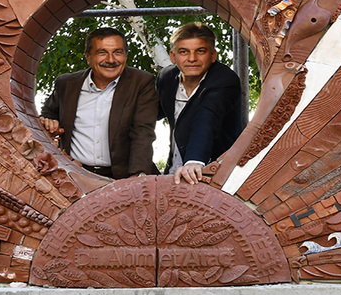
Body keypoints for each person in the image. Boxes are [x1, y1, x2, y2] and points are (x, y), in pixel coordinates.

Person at [40, 27, 160, 179]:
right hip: (76, 175)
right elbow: (48, 113)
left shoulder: (141, 82)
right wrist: (50, 123)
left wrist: (138, 175)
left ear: (126, 55)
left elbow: (143, 131)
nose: (111, 60)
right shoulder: (66, 84)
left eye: (117, 52)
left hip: (124, 176)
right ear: (88, 57)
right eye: (102, 52)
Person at [158, 23, 244, 184]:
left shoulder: (224, 79)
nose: (192, 58)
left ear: (213, 55)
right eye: (184, 52)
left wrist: (194, 161)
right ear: (173, 56)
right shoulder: (166, 78)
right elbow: (148, 112)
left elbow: (207, 118)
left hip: (215, 174)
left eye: (200, 51)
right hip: (173, 172)